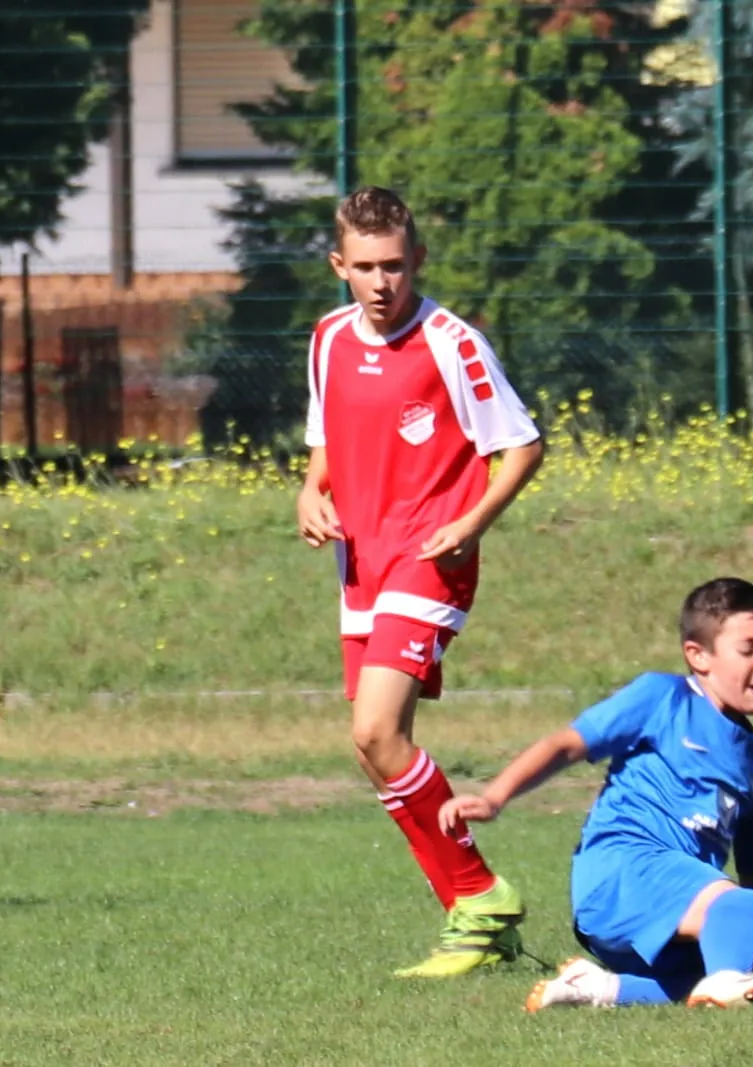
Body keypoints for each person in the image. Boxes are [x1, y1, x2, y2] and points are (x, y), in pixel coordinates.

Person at [297, 186, 545, 978]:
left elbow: (523, 444)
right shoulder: (328, 338)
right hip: (361, 561)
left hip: (432, 555)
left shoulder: (452, 342)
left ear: (419, 260)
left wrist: (472, 523)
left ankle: (481, 893)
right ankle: (474, 919)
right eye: (366, 266)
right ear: (339, 266)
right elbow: (326, 438)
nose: (382, 282)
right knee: (373, 749)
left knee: (377, 732)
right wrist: (309, 491)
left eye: (395, 265)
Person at [440, 578, 753, 1011]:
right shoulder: (665, 698)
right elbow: (566, 744)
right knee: (747, 909)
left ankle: (597, 989)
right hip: (622, 872)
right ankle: (727, 983)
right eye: (748, 649)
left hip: (671, 911)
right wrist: (494, 797)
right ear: (698, 655)